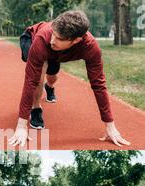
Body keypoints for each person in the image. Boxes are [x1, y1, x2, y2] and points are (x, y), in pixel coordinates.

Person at [9, 10, 130, 147]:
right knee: (38, 74)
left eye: (59, 38)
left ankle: (50, 87)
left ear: (77, 40)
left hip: (59, 53)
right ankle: (36, 108)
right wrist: (21, 125)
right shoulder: (45, 40)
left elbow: (98, 85)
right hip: (32, 39)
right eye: (53, 34)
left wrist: (110, 126)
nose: (52, 41)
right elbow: (30, 80)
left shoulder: (91, 48)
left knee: (52, 75)